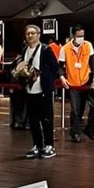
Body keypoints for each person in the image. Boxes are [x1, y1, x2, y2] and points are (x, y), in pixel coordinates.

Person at [14, 24, 58, 160]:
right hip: (29, 89)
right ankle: (37, 145)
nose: (30, 36)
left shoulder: (45, 49)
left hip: (43, 89)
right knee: (33, 120)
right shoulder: (24, 49)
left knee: (46, 118)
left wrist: (47, 79)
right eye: (28, 33)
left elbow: (54, 67)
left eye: (33, 33)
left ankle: (49, 145)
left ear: (38, 35)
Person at [61, 25, 94, 142]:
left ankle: (90, 129)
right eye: (79, 35)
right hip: (73, 84)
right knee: (75, 110)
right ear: (73, 35)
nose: (81, 38)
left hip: (86, 82)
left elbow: (92, 62)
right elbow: (59, 66)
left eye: (83, 35)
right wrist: (62, 78)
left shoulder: (88, 45)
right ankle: (75, 132)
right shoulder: (65, 49)